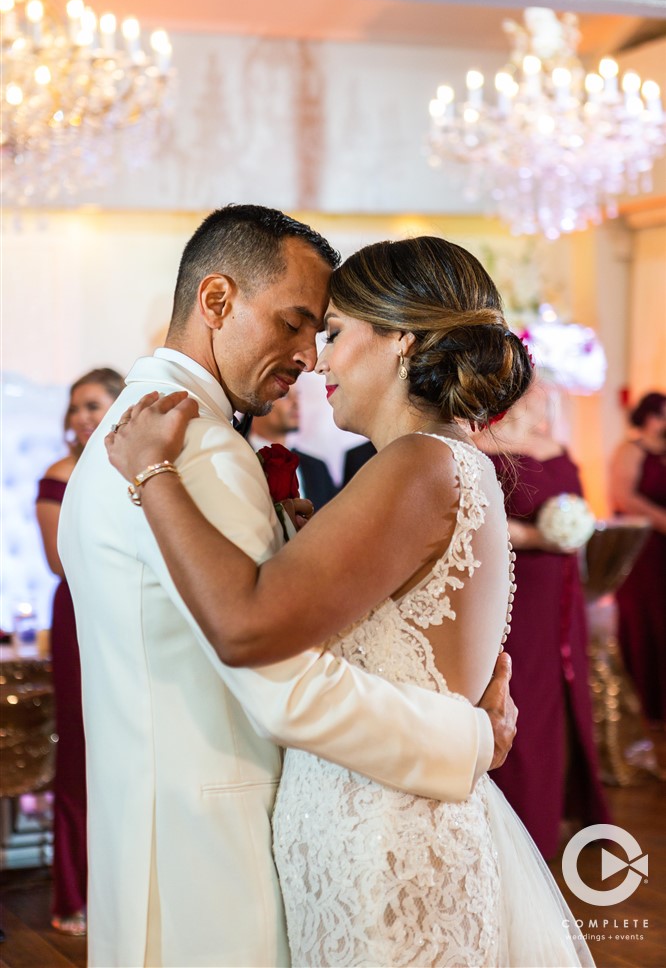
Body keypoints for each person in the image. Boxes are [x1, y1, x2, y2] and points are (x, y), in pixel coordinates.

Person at [105, 235, 593, 967]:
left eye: (334, 332)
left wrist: (153, 473)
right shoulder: (439, 464)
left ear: (400, 339)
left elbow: (244, 627)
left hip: (386, 846)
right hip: (381, 824)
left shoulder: (419, 464)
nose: (318, 361)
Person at [477, 382, 610, 860]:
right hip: (519, 587)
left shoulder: (557, 449)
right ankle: (519, 822)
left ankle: (557, 812)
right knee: (524, 693)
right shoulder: (480, 448)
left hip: (561, 589)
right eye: (534, 386)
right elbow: (480, 517)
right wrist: (537, 536)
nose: (545, 394)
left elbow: (579, 508)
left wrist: (573, 529)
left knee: (562, 694)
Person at [36, 367, 124, 937]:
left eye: (93, 406)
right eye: (74, 409)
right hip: (78, 615)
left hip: (124, 614)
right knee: (79, 753)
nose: (81, 418)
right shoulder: (59, 477)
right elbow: (59, 560)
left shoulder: (134, 470)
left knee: (125, 746)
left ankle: (123, 888)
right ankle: (73, 895)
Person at [610, 391, 666, 724]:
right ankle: (644, 707)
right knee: (648, 620)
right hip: (643, 550)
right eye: (661, 414)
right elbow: (623, 497)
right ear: (646, 417)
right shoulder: (630, 450)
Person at [249, 388, 337, 509]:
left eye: (297, 395)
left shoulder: (317, 468)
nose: (295, 402)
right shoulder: (236, 457)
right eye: (284, 395)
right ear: (253, 403)